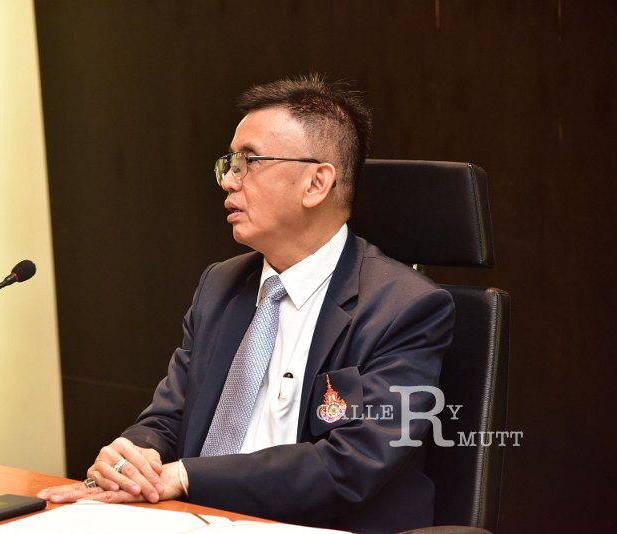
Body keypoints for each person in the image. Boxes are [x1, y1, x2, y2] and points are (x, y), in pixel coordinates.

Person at [38, 74, 455, 533]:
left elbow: (352, 463)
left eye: (248, 163)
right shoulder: (222, 284)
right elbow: (169, 416)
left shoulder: (405, 307)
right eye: (229, 164)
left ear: (316, 183)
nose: (228, 182)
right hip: (195, 520)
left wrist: (186, 476)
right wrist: (133, 455)